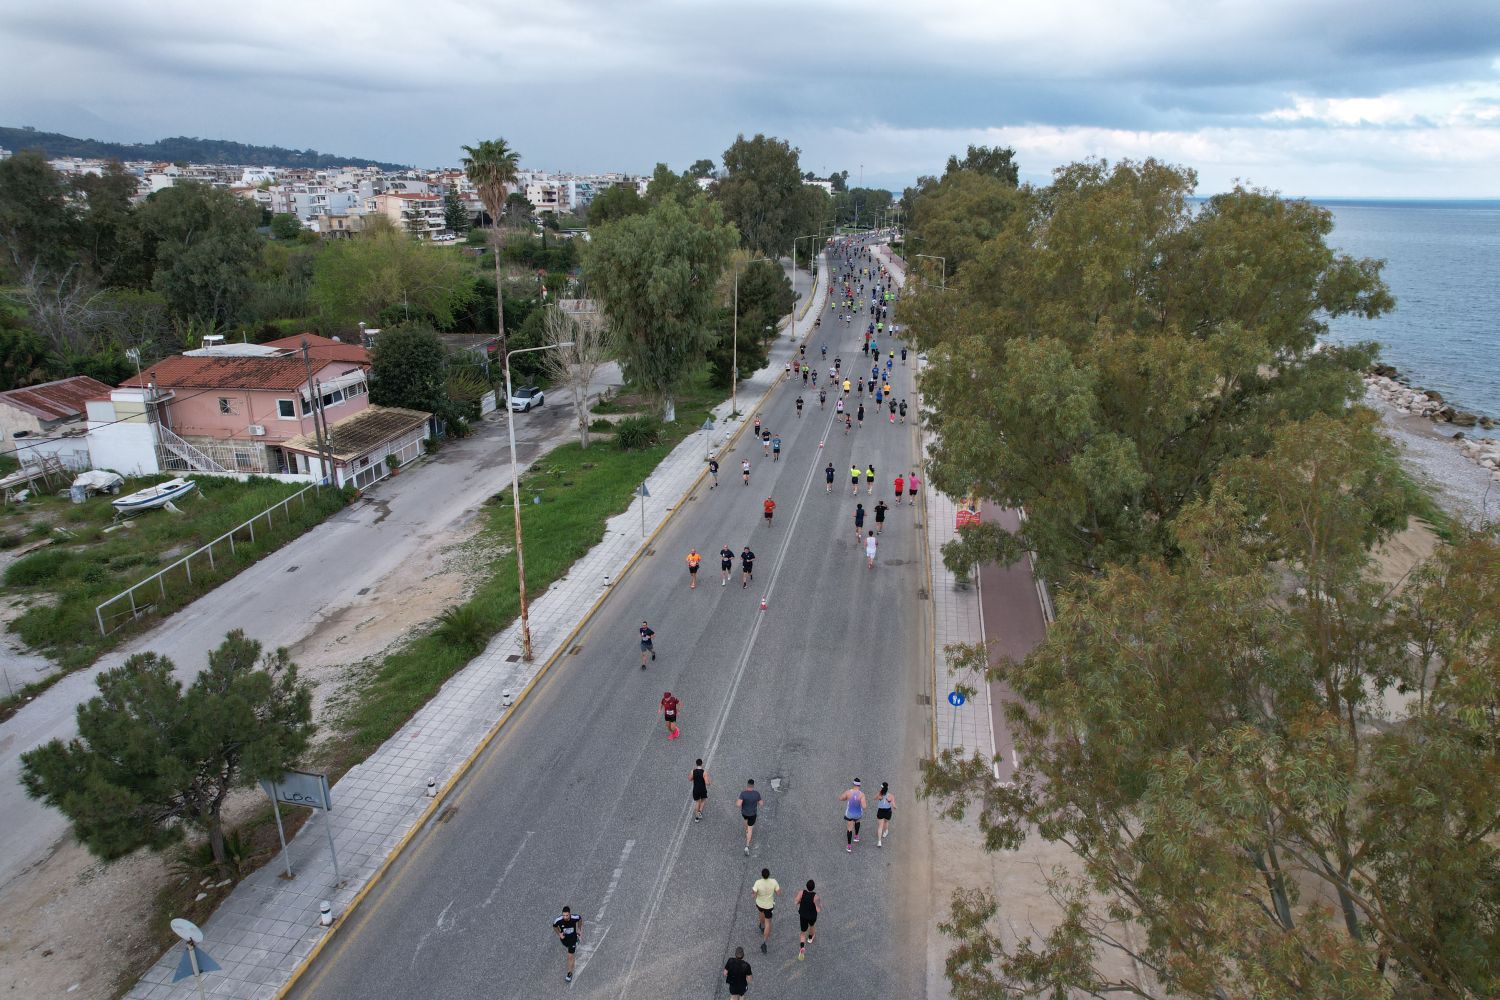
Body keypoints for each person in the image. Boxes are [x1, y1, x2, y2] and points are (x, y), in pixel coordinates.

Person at [752, 867, 781, 953]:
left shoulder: (758, 882)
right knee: (768, 922)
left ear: (762, 875)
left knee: (761, 912)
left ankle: (762, 926)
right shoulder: (774, 882)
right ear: (769, 875)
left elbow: (753, 895)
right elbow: (778, 893)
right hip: (769, 906)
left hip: (760, 904)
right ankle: (764, 943)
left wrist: (755, 893)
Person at [554, 906, 584, 983]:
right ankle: (574, 942)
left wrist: (579, 929)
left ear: (570, 914)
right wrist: (559, 934)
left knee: (570, 956)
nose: (565, 917)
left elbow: (580, 919)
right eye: (563, 915)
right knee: (566, 945)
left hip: (572, 939)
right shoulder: (558, 920)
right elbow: (554, 926)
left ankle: (569, 973)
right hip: (564, 939)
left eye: (567, 915)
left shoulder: (574, 918)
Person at [795, 880, 822, 960]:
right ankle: (810, 938)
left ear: (806, 886)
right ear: (814, 887)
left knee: (803, 932)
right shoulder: (815, 897)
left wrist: (801, 902)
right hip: (812, 916)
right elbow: (818, 910)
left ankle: (802, 947)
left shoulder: (801, 893)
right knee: (812, 926)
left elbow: (796, 902)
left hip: (803, 915)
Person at [841, 778, 867, 850]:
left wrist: (846, 798)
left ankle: (849, 846)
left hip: (849, 813)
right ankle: (856, 836)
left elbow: (841, 798)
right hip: (858, 813)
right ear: (860, 785)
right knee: (857, 821)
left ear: (853, 784)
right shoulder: (862, 794)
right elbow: (864, 806)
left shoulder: (848, 792)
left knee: (849, 829)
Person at [738, 779, 762, 854]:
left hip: (744, 813)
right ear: (753, 785)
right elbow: (761, 803)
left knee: (745, 820)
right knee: (750, 828)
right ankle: (747, 846)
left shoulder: (743, 793)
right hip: (752, 814)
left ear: (747, 785)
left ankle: (746, 830)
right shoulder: (756, 794)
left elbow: (738, 804)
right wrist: (756, 802)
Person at [875, 781, 896, 847]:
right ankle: (886, 831)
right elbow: (894, 805)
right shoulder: (891, 795)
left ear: (881, 788)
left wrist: (879, 794)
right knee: (886, 822)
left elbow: (875, 798)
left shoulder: (879, 794)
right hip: (888, 811)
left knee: (880, 826)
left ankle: (879, 841)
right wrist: (894, 806)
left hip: (881, 811)